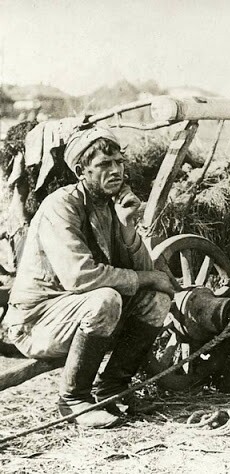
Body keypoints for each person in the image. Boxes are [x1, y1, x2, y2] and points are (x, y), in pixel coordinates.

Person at [3, 127, 174, 428]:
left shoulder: (111, 206)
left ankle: (112, 389)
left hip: (75, 310)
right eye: (104, 165)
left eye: (119, 162)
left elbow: (146, 270)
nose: (116, 171)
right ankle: (72, 400)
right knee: (106, 299)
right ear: (81, 171)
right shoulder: (61, 205)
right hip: (38, 319)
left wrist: (128, 227)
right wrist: (146, 277)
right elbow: (80, 277)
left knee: (157, 300)